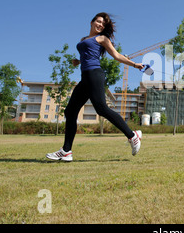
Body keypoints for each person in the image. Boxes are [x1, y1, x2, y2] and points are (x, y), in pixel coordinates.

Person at [46, 12, 143, 162]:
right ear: (91, 22)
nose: (100, 25)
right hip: (85, 77)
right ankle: (66, 151)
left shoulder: (102, 38)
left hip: (95, 74)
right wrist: (78, 62)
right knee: (70, 111)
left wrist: (135, 64)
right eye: (98, 21)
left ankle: (132, 135)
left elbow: (116, 55)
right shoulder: (84, 39)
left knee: (101, 108)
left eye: (103, 24)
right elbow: (88, 55)